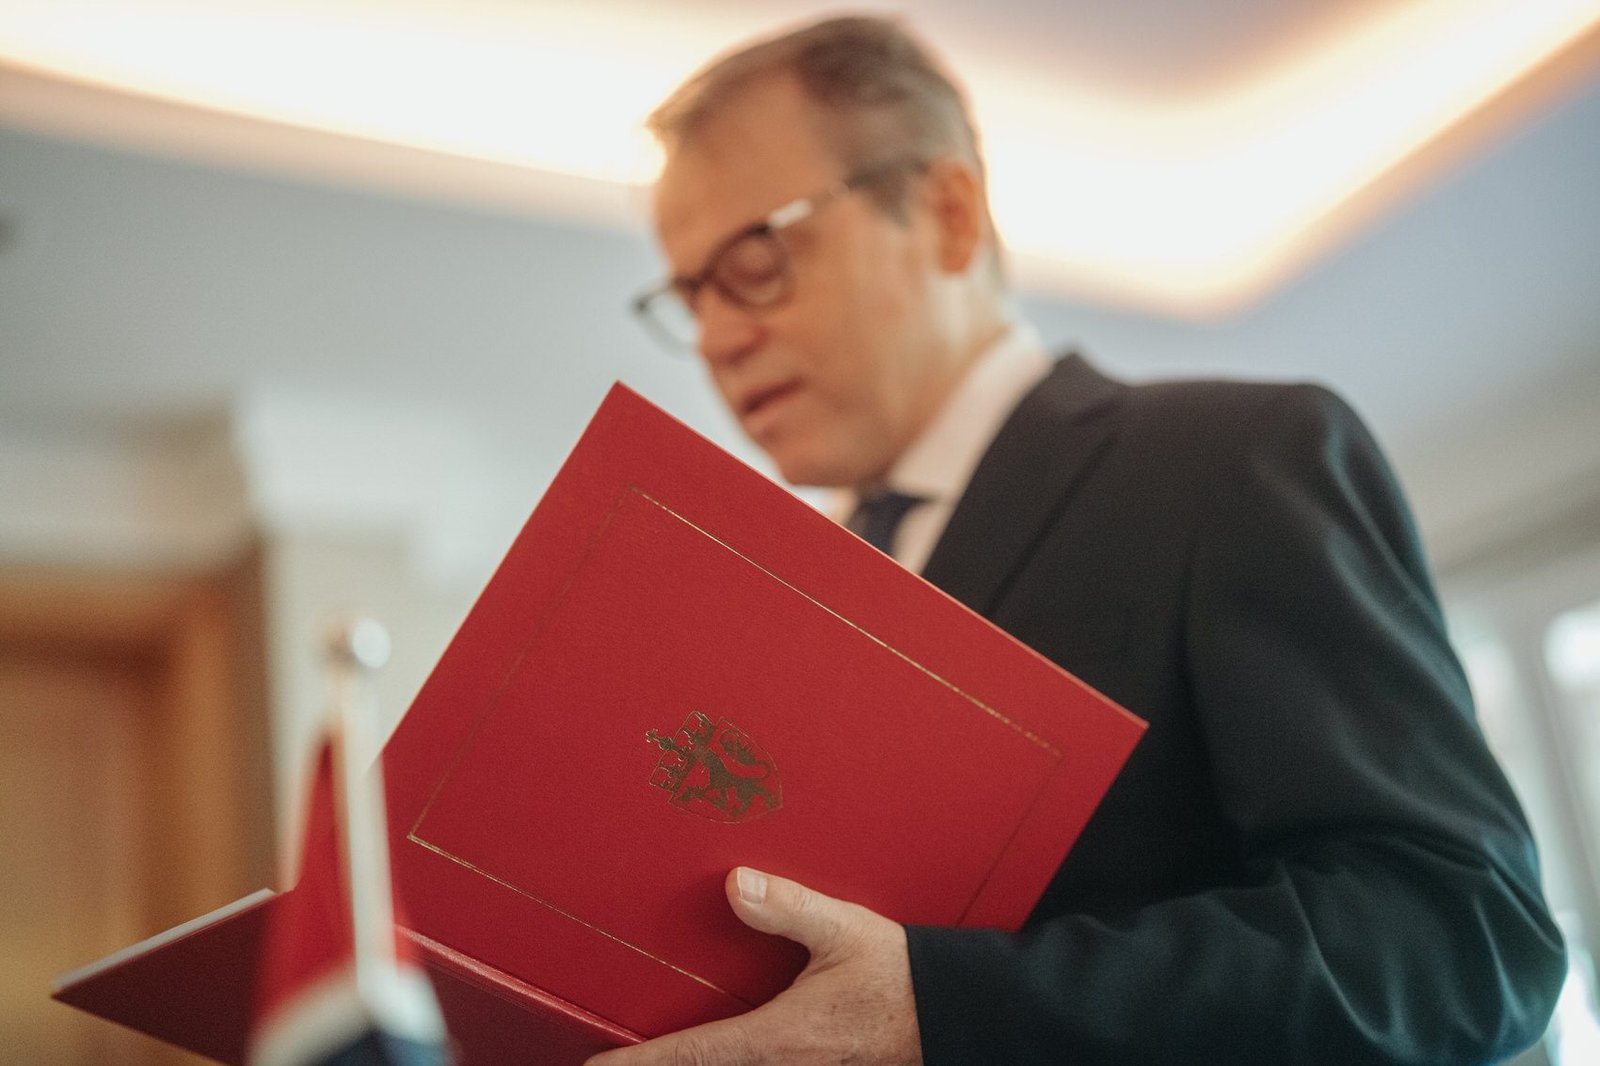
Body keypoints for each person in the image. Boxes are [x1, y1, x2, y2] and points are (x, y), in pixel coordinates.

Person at [594, 15, 1566, 1066]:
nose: (718, 339)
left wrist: (944, 1009)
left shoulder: (1230, 460)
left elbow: (1461, 936)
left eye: (755, 259)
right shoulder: (790, 602)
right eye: (689, 294)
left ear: (948, 213)